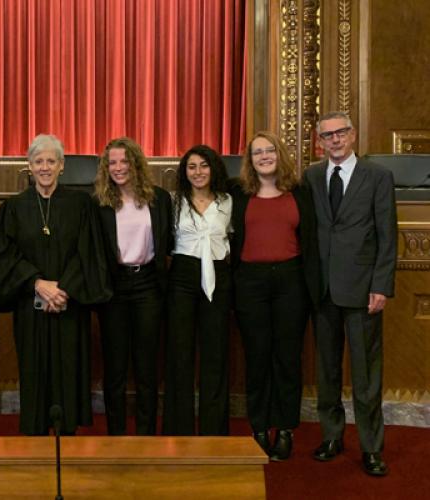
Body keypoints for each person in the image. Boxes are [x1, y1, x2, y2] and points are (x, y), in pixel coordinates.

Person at [0, 134, 111, 435]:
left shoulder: (81, 204)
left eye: (51, 161)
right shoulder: (14, 207)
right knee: (34, 367)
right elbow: (5, 255)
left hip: (69, 303)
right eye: (38, 161)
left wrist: (63, 289)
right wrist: (37, 283)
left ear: (62, 166)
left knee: (69, 366)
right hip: (30, 305)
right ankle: (34, 430)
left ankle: (68, 429)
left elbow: (88, 251)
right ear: (29, 167)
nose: (44, 167)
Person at [304, 111, 396, 476]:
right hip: (323, 290)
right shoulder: (311, 177)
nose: (335, 140)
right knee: (327, 372)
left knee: (366, 377)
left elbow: (387, 236)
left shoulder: (378, 177)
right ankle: (331, 436)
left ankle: (371, 447)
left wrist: (381, 285)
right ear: (320, 141)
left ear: (353, 135)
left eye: (341, 133)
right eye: (327, 136)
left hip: (363, 292)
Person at [230, 132, 320, 460]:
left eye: (270, 150)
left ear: (279, 154)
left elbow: (311, 240)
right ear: (250, 161)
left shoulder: (300, 192)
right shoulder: (237, 193)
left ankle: (284, 428)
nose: (265, 156)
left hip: (290, 281)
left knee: (287, 357)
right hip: (250, 284)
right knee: (257, 357)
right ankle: (258, 427)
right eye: (257, 153)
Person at [93, 137, 172, 436]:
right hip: (114, 288)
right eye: (112, 163)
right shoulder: (99, 203)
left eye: (124, 161)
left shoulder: (160, 199)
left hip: (148, 284)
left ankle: (146, 433)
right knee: (114, 368)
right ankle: (115, 434)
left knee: (147, 365)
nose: (118, 168)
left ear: (136, 163)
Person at [163, 145, 232, 436]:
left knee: (215, 354)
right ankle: (179, 429)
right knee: (180, 354)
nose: (198, 172)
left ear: (213, 168)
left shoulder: (229, 201)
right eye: (192, 167)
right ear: (184, 171)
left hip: (219, 277)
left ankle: (213, 430)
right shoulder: (173, 201)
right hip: (182, 277)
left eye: (204, 165)